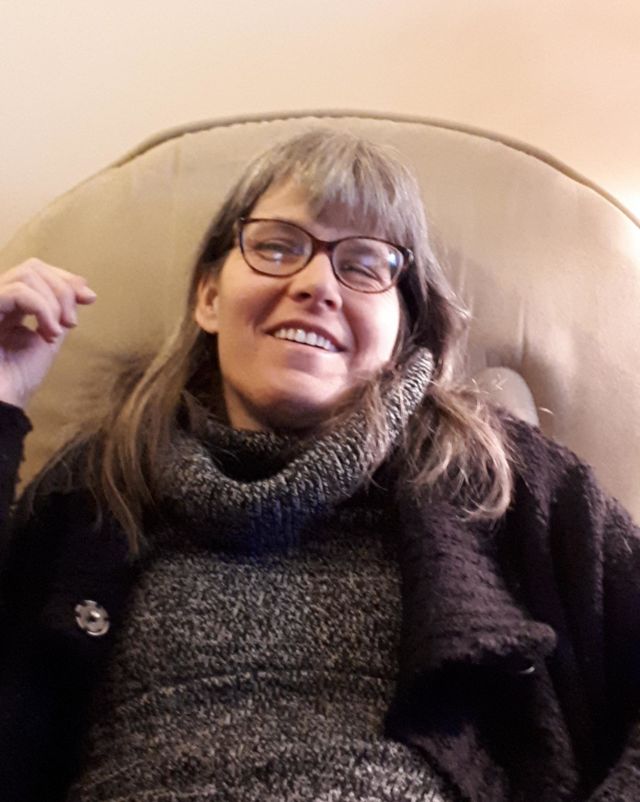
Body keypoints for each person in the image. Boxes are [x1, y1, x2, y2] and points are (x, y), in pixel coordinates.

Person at [0, 130, 638, 802]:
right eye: (277, 247)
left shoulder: (503, 475)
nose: (315, 285)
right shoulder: (98, 481)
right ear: (208, 296)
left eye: (363, 265)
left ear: (403, 328)